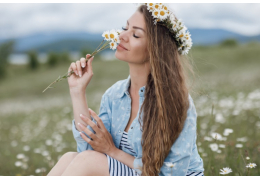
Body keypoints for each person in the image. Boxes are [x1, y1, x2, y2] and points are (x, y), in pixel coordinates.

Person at [47, 3, 204, 176]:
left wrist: (113, 151)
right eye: (125, 28)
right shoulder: (114, 95)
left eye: (135, 35)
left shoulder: (176, 102)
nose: (122, 36)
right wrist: (77, 91)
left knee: (87, 161)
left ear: (156, 50)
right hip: (131, 171)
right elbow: (89, 149)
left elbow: (172, 174)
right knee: (70, 157)